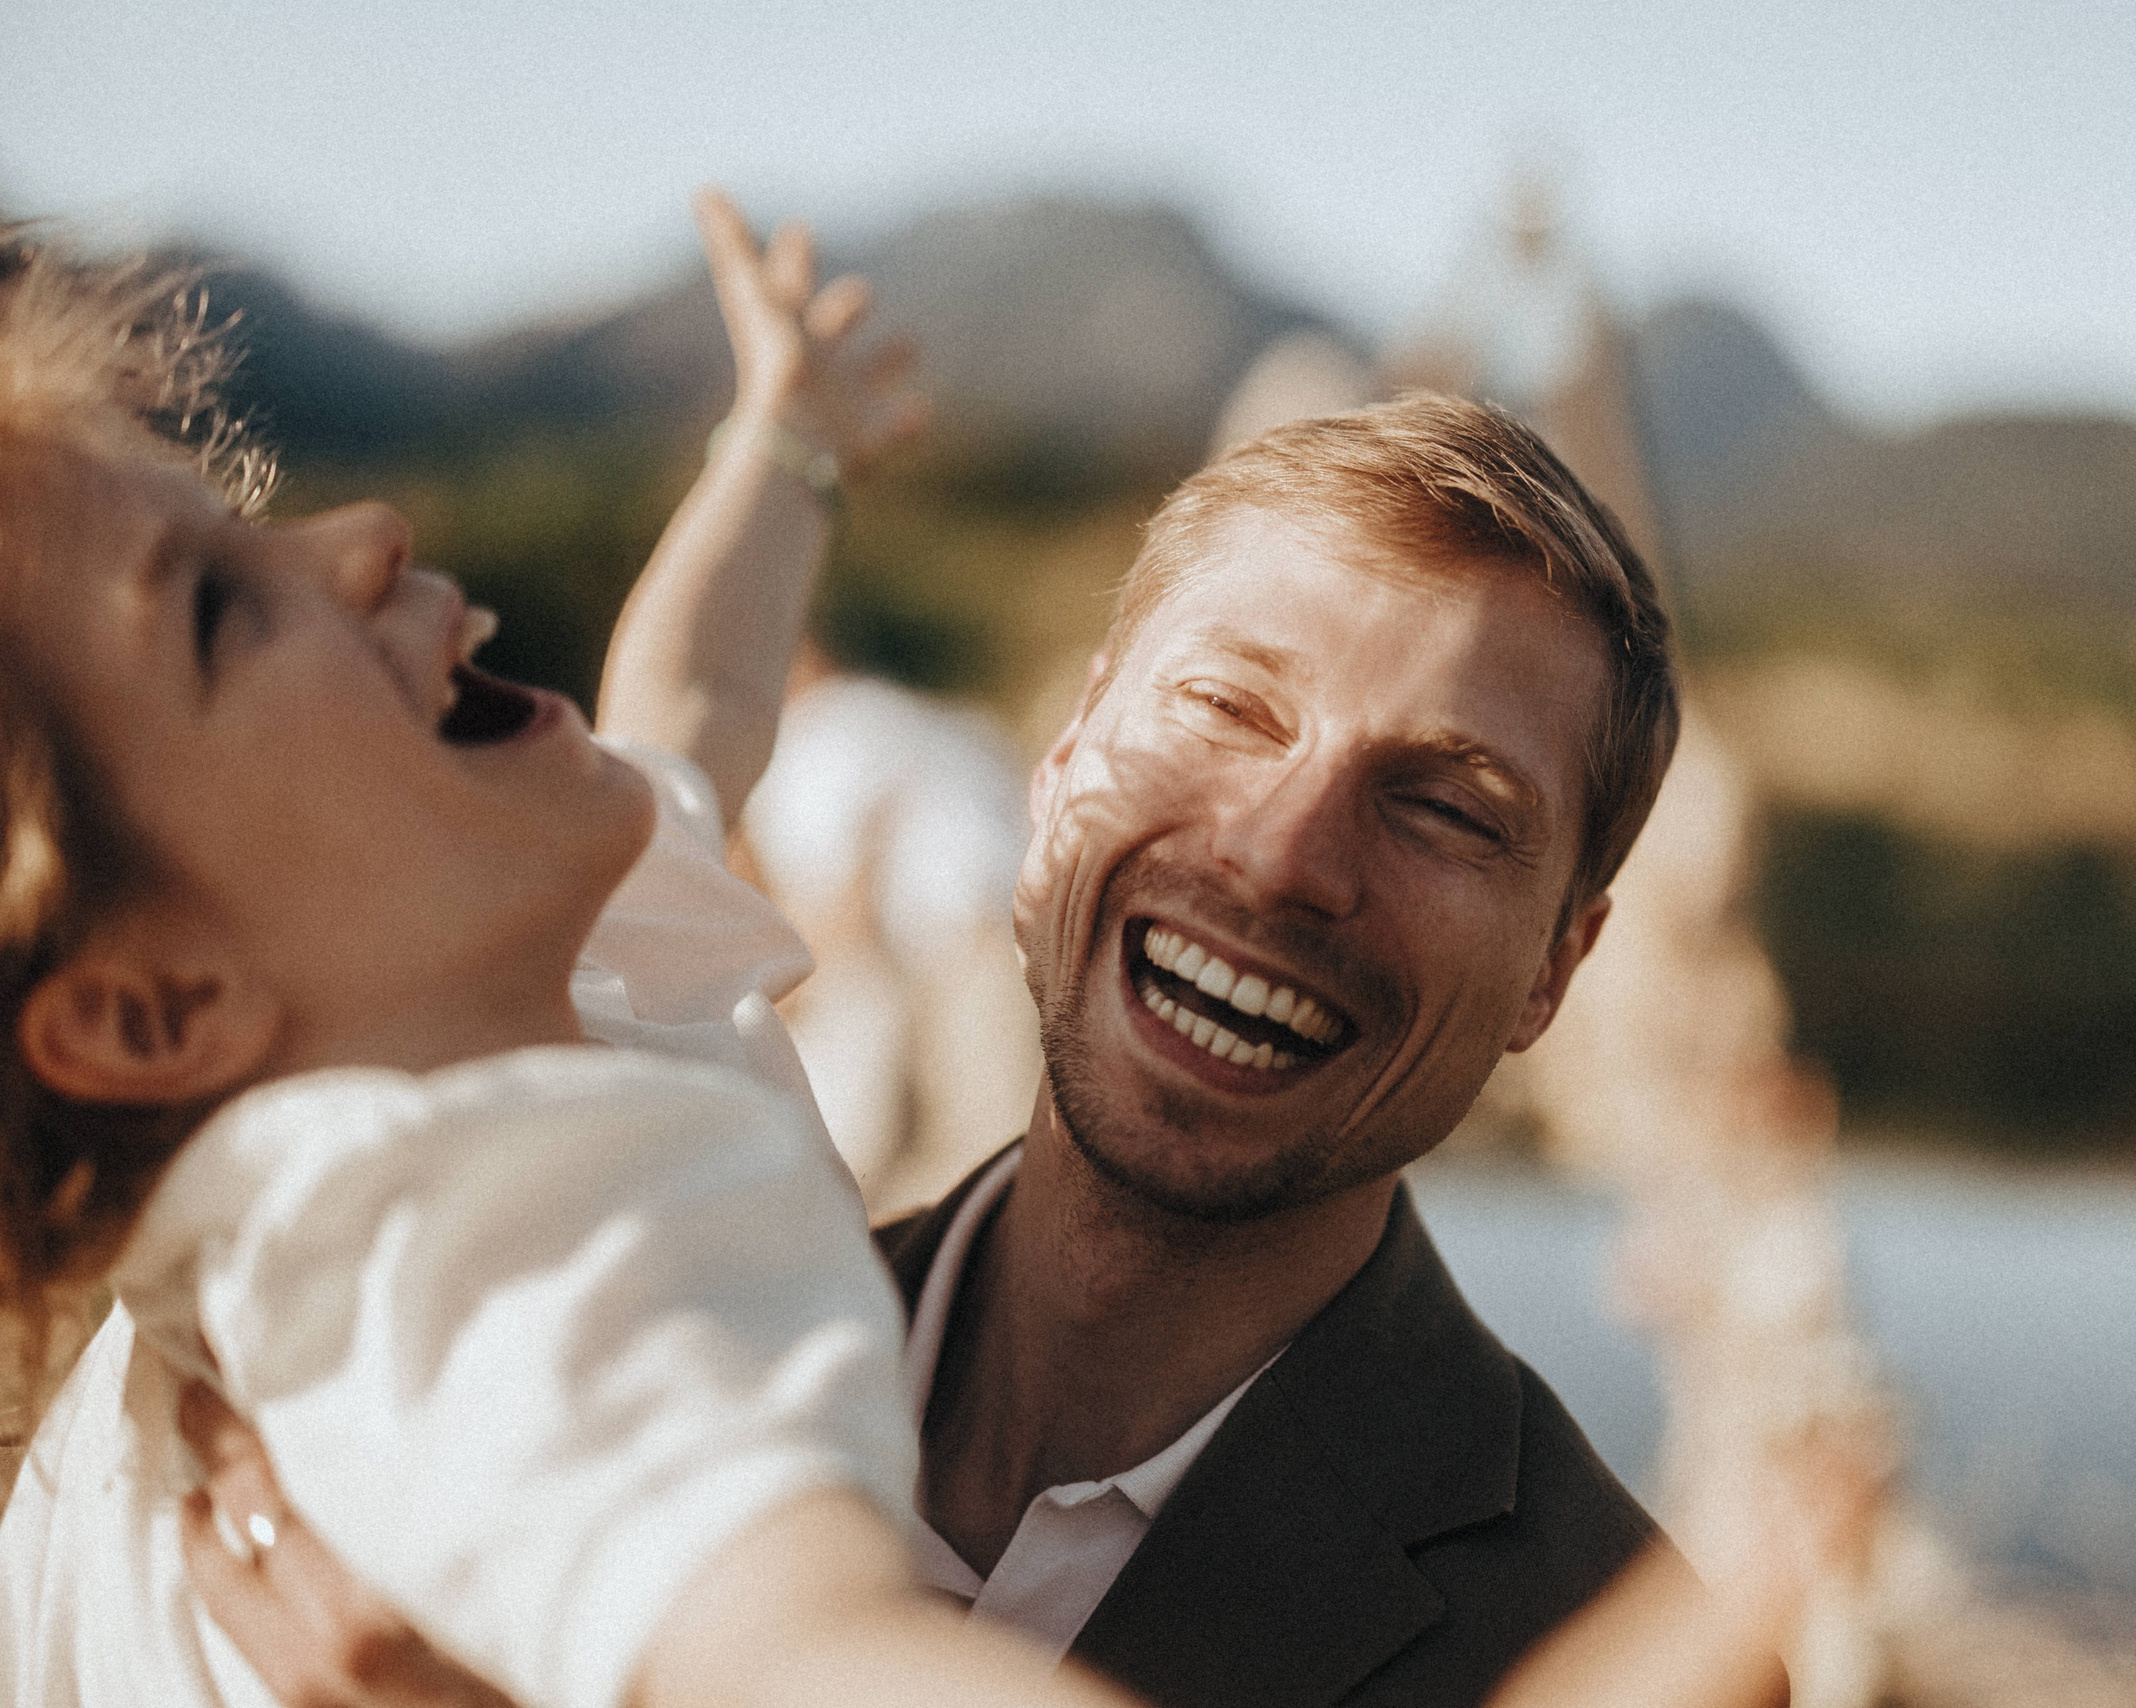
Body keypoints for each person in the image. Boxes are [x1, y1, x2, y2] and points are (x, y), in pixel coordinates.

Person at [182, 395, 1795, 1708]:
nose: (1281, 856)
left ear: (1556, 967)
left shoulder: (1612, 1647)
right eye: (1229, 709)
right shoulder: (643, 1326)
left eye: (1443, 807)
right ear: (1063, 757)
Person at [0, 195, 1134, 1708]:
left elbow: (695, 694)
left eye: (249, 530)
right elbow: (806, 1656)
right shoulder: (449, 1253)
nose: (364, 533)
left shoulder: (544, 964)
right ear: (154, 1011)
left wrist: (784, 444)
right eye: (216, 610)